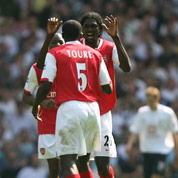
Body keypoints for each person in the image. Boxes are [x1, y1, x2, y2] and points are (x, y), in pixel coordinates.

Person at [32, 19, 113, 178]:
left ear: (63, 35)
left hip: (70, 108)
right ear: (81, 34)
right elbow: (107, 88)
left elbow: (46, 84)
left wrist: (36, 105)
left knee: (68, 163)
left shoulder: (55, 53)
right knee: (84, 160)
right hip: (92, 109)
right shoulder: (95, 53)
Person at [78, 12, 131, 178]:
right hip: (81, 110)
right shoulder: (76, 48)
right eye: (86, 26)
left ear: (100, 30)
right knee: (81, 161)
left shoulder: (108, 47)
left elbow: (126, 67)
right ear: (81, 30)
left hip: (102, 112)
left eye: (94, 26)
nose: (90, 30)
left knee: (102, 165)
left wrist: (116, 38)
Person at [23, 17, 64, 178]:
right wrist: (41, 102)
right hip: (47, 124)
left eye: (61, 43)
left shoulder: (70, 66)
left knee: (72, 163)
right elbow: (25, 97)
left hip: (68, 120)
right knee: (54, 168)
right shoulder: (37, 68)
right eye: (54, 43)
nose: (58, 47)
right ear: (47, 48)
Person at [126, 86, 178, 178]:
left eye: (152, 99)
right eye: (148, 100)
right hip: (147, 150)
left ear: (158, 98)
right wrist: (129, 144)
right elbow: (135, 130)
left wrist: (177, 151)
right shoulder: (142, 112)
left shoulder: (167, 113)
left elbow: (174, 133)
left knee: (156, 176)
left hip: (162, 150)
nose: (150, 102)